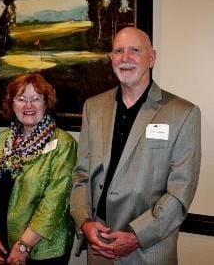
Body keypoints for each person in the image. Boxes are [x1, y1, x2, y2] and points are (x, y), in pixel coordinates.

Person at [70, 27, 201, 264]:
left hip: (148, 250)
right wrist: (85, 222)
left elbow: (180, 192)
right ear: (111, 59)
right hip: (98, 245)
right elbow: (81, 175)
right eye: (118, 51)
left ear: (152, 58)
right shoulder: (94, 107)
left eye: (135, 50)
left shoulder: (183, 113)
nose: (125, 58)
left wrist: (137, 236)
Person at [0, 72, 77, 265]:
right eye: (21, 98)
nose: (28, 105)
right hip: (2, 243)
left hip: (41, 251)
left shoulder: (63, 144)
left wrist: (24, 246)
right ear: (11, 103)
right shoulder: (3, 140)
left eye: (36, 99)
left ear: (46, 103)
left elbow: (54, 202)